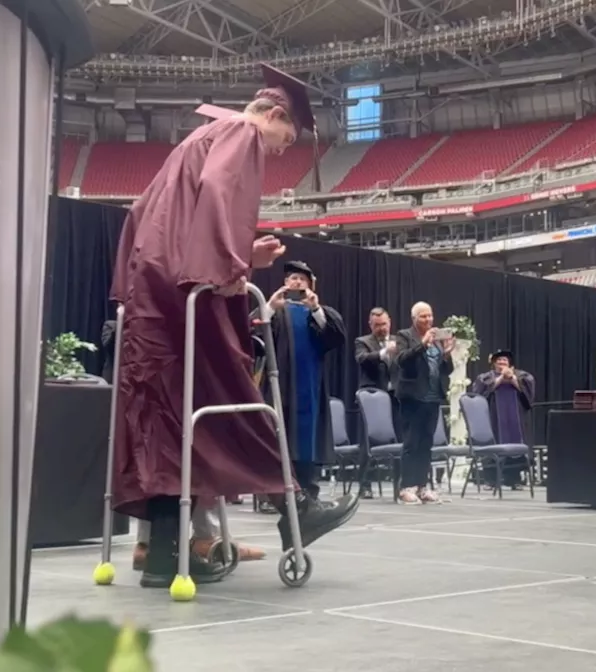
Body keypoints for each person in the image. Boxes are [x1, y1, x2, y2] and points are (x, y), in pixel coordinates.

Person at [109, 63, 358, 589]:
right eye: (283, 141)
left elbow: (139, 214)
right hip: (190, 296)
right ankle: (296, 506)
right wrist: (230, 266)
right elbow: (222, 192)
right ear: (270, 114)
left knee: (166, 419)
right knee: (230, 398)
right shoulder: (241, 131)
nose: (277, 153)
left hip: (153, 294)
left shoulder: (195, 138)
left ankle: (162, 556)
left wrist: (239, 254)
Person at [261, 260, 347, 500]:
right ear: (284, 283)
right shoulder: (275, 311)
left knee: (307, 439)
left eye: (302, 278)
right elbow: (252, 335)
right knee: (279, 436)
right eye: (292, 278)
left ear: (310, 285)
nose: (296, 282)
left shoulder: (320, 312)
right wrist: (268, 306)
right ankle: (274, 496)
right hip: (280, 386)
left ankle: (308, 492)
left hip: (310, 387)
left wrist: (316, 309)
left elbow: (336, 338)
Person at [393, 302, 453, 504]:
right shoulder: (404, 336)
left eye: (430, 316)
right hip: (412, 397)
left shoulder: (436, 339)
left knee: (426, 443)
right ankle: (406, 487)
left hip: (433, 397)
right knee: (412, 442)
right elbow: (402, 360)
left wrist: (446, 353)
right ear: (414, 319)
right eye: (423, 317)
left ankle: (421, 486)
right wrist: (422, 344)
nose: (428, 320)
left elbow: (446, 370)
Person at [469, 350, 536, 490]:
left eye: (504, 360)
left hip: (515, 420)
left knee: (515, 445)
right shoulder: (486, 377)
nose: (502, 362)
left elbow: (528, 397)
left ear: (509, 363)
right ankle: (490, 480)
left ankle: (514, 479)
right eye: (498, 360)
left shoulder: (521, 376)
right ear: (493, 363)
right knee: (493, 444)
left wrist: (512, 379)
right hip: (494, 419)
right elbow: (478, 396)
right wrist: (500, 379)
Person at [354, 307, 398, 499]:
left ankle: (401, 483)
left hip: (395, 397)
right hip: (372, 397)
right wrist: (382, 353)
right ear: (370, 325)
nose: (382, 328)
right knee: (368, 442)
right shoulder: (363, 342)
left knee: (400, 439)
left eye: (384, 324)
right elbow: (362, 359)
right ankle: (365, 484)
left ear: (390, 322)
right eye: (377, 325)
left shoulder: (399, 341)